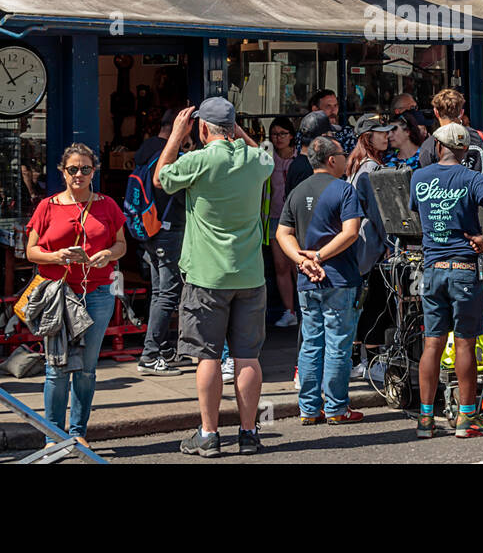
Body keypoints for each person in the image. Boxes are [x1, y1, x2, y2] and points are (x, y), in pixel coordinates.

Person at [156, 98, 274, 458]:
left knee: (207, 356)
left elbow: (161, 178)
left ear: (202, 128)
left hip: (207, 277)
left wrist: (175, 135)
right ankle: (249, 433)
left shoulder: (198, 160)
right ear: (233, 127)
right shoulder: (256, 160)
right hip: (249, 274)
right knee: (248, 357)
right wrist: (239, 132)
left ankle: (209, 434)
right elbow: (264, 156)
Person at [410, 123, 483, 439]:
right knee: (465, 342)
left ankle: (425, 420)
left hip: (433, 269)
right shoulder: (472, 178)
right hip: (463, 268)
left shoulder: (419, 177)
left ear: (438, 146)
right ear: (465, 150)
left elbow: (416, 213)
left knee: (432, 343)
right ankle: (466, 419)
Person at [25, 143, 127, 445]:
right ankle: (53, 436)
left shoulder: (108, 205)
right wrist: (56, 257)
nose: (78, 174)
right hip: (58, 296)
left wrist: (108, 254)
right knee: (56, 368)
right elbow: (31, 251)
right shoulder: (47, 206)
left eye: (85, 168)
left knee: (86, 369)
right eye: (72, 169)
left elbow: (121, 244)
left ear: (94, 171)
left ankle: (77, 432)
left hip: (97, 293)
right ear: (63, 172)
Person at [276, 135, 366, 425]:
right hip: (339, 278)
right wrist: (318, 256)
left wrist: (303, 260)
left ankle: (309, 409)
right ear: (331, 160)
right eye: (342, 154)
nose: (346, 158)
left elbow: (282, 233)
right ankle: (337, 407)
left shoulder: (297, 191)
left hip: (308, 280)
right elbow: (351, 232)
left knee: (311, 344)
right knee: (338, 344)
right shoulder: (344, 189)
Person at [133, 110, 191, 376]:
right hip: (169, 230)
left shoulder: (147, 150)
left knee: (159, 293)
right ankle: (150, 355)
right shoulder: (169, 155)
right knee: (168, 294)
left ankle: (163, 348)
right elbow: (178, 194)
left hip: (151, 230)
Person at [346, 114, 396, 378]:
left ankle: (357, 360)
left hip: (362, 248)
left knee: (364, 304)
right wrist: (390, 243)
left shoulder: (358, 165)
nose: (386, 136)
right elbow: (379, 213)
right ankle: (373, 363)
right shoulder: (370, 169)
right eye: (381, 132)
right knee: (377, 304)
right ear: (368, 137)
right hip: (372, 248)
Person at [417, 88, 483, 184]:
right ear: (461, 113)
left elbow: (426, 182)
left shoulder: (429, 145)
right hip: (479, 193)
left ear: (436, 112)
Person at [266, 115, 300, 328]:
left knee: (298, 264)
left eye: (282, 134)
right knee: (280, 266)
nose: (278, 138)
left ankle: (303, 308)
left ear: (291, 136)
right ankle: (289, 311)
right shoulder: (267, 158)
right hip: (274, 216)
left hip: (296, 218)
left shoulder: (299, 158)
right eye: (274, 134)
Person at [309, 88, 356, 155]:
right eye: (328, 106)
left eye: (335, 106)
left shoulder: (347, 133)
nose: (333, 110)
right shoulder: (307, 134)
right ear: (315, 109)